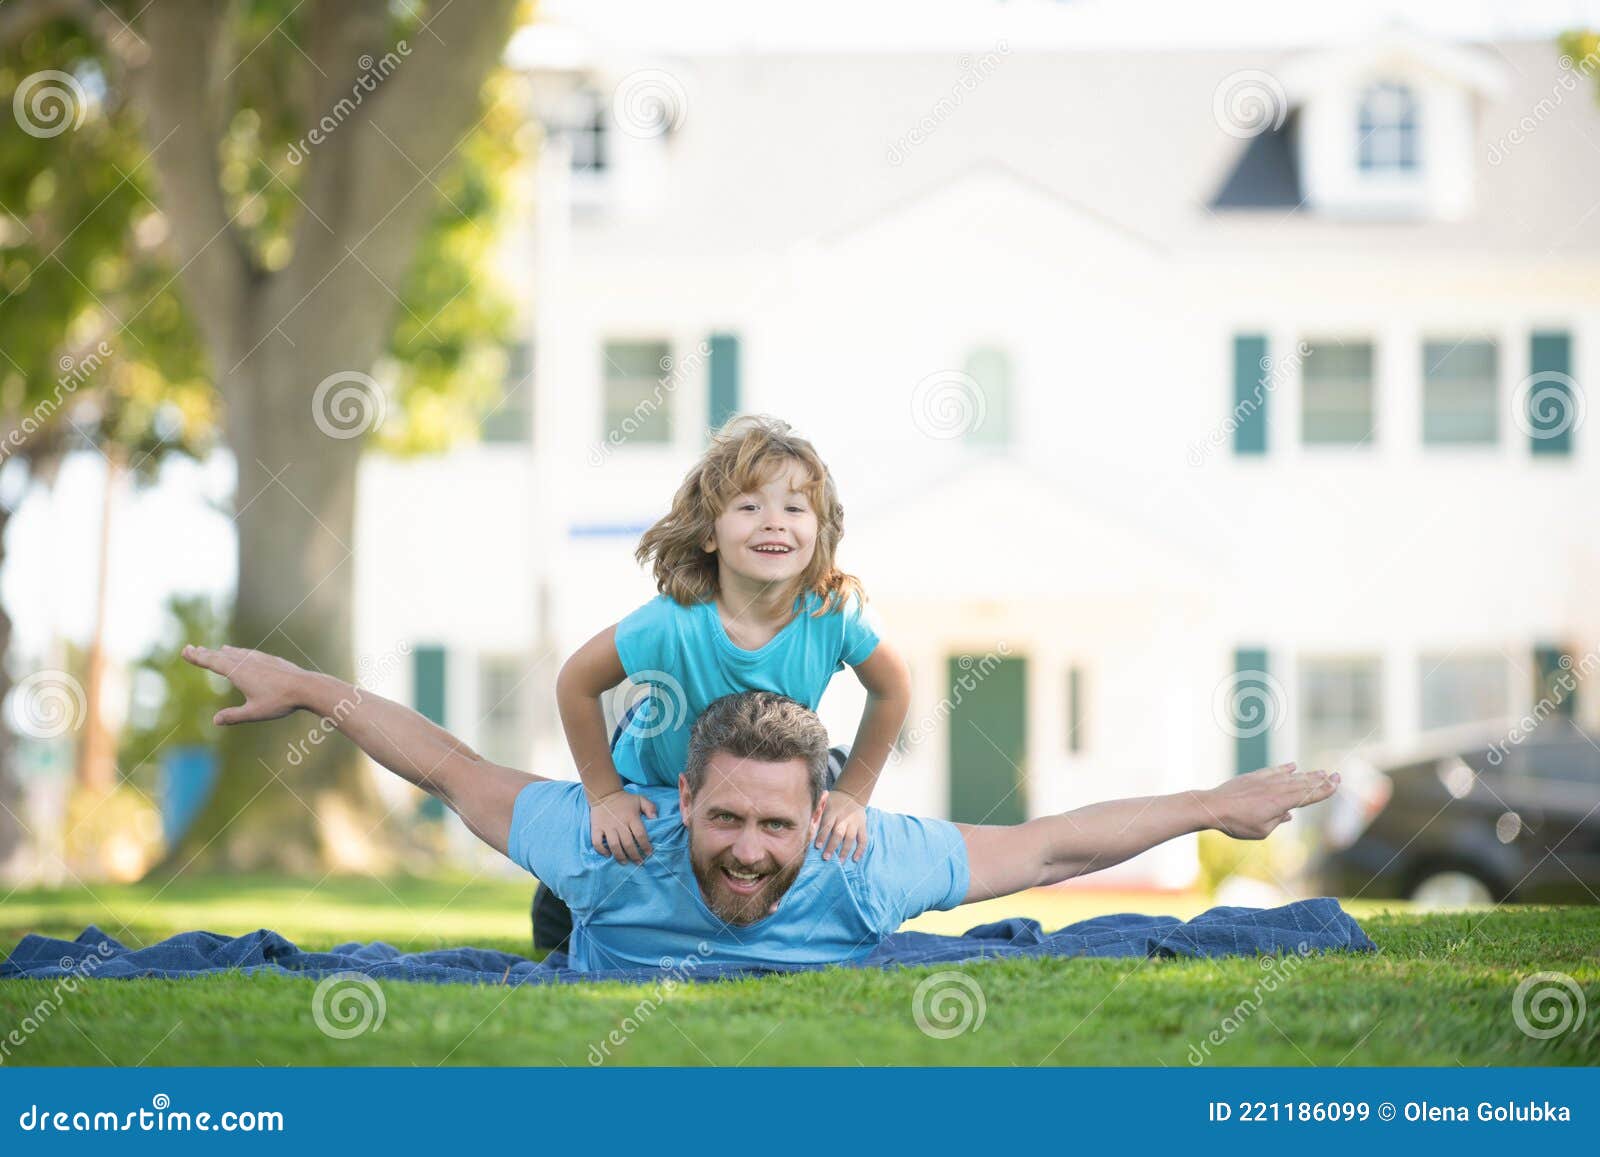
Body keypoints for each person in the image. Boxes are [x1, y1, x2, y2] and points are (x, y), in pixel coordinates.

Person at [180, 643, 1341, 972]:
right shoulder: (614, 842)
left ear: (820, 811)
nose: (744, 849)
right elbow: (449, 767)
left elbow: (1047, 847)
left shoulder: (862, 859)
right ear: (677, 794)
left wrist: (1206, 803)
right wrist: (311, 691)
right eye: (724, 816)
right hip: (592, 915)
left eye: (775, 825)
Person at [545, 415, 911, 946]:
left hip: (765, 780)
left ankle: (830, 770)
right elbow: (576, 682)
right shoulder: (672, 621)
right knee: (602, 884)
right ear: (709, 533)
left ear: (820, 531)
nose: (773, 522)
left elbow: (893, 687)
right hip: (654, 777)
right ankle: (553, 903)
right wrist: (603, 797)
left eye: (794, 508)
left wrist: (854, 795)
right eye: (749, 507)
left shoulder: (835, 614)